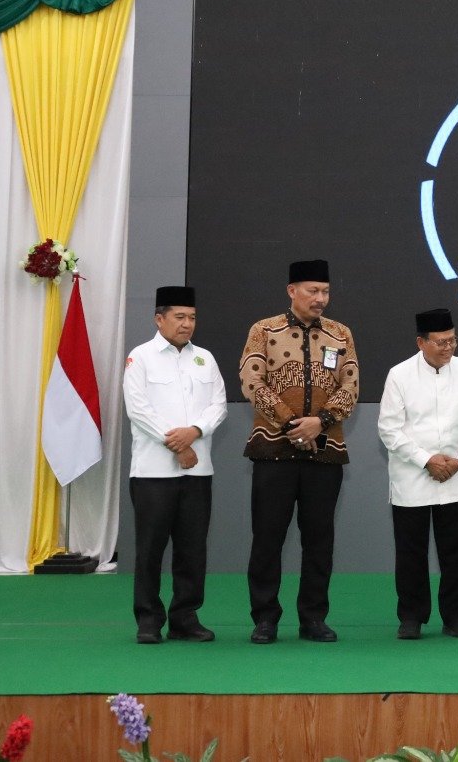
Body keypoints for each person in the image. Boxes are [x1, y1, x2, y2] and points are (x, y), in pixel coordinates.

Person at [240, 259, 360, 644]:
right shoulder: (264, 330)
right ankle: (265, 618)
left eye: (325, 291)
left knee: (319, 541)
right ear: (292, 291)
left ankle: (313, 618)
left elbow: (351, 386)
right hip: (273, 452)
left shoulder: (340, 334)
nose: (320, 298)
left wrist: (319, 422)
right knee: (267, 538)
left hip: (325, 452)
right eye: (313, 291)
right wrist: (293, 423)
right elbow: (251, 381)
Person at [121, 286, 227, 644]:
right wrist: (177, 444)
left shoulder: (205, 359)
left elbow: (219, 405)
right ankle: (149, 620)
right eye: (179, 317)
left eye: (192, 317)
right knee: (150, 550)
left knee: (192, 550)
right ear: (159, 318)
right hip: (153, 473)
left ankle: (185, 618)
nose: (187, 324)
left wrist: (194, 431)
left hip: (198, 472)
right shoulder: (140, 357)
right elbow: (138, 409)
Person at [377, 308, 458, 640]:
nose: (448, 347)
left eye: (452, 340)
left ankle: (455, 616)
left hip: (455, 475)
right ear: (421, 343)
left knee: (454, 551)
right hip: (412, 475)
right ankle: (411, 617)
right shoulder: (399, 375)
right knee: (410, 551)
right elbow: (389, 430)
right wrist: (426, 460)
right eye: (440, 342)